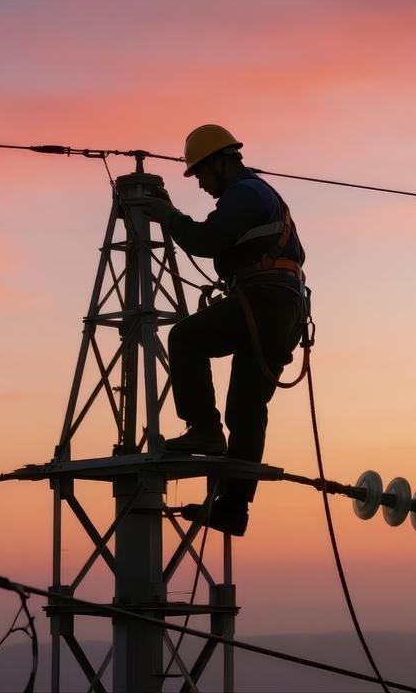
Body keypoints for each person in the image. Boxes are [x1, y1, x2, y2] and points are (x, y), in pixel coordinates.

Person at [141, 124, 307, 536]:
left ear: (219, 163)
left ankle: (204, 430)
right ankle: (234, 508)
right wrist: (173, 213)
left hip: (265, 299)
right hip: (283, 308)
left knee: (185, 338)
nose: (200, 183)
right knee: (247, 410)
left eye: (200, 173)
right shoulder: (257, 194)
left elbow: (206, 240)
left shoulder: (245, 193)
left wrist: (167, 216)